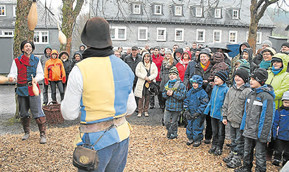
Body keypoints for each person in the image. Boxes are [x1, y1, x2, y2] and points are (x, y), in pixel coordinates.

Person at [61, 17, 136, 171]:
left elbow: (69, 113)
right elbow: (130, 108)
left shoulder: (80, 69)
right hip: (121, 137)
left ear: (86, 41)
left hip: (94, 141)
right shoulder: (125, 67)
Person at [235, 68, 275, 172]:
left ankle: (260, 170)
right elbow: (246, 113)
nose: (251, 81)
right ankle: (246, 168)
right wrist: (243, 127)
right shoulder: (251, 94)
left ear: (261, 81)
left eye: (254, 79)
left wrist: (263, 135)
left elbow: (267, 118)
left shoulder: (267, 97)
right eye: (251, 79)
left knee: (260, 154)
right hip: (249, 130)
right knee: (247, 151)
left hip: (259, 133)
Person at [8, 40, 47, 144]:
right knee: (24, 113)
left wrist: (36, 79)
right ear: (22, 49)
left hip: (33, 90)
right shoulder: (16, 61)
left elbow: (41, 74)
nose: (28, 48)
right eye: (26, 46)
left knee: (38, 112)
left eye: (30, 46)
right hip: (21, 90)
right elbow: (13, 73)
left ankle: (42, 134)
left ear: (32, 48)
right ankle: (26, 132)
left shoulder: (36, 60)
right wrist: (12, 78)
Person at [222, 69, 251, 168]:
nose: (237, 78)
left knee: (240, 141)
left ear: (245, 79)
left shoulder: (247, 91)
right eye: (236, 76)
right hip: (231, 118)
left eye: (240, 76)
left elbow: (248, 108)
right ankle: (233, 153)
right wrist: (225, 115)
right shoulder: (231, 89)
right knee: (233, 140)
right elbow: (226, 103)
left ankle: (238, 157)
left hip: (240, 121)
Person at [204, 71, 229, 156]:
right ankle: (214, 145)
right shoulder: (214, 88)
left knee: (221, 132)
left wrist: (224, 115)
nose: (215, 79)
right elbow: (211, 100)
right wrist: (207, 110)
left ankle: (219, 147)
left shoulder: (226, 90)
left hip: (221, 115)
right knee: (214, 131)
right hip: (213, 113)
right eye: (215, 78)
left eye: (218, 78)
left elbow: (226, 103)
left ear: (223, 79)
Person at [194, 48, 213, 144]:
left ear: (209, 57)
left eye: (204, 56)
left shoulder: (212, 67)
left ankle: (208, 136)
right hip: (199, 93)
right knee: (199, 115)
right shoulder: (197, 67)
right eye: (201, 57)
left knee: (209, 116)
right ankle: (198, 136)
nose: (202, 58)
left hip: (209, 93)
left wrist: (208, 82)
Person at [184, 75, 209, 147]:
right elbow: (186, 100)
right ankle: (190, 138)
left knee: (197, 126)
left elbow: (204, 104)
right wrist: (186, 110)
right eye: (193, 83)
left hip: (198, 114)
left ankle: (197, 139)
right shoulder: (190, 91)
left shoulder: (202, 93)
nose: (194, 85)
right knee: (189, 125)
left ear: (200, 83)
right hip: (190, 112)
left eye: (196, 83)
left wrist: (198, 112)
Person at [162, 67, 186, 139]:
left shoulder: (181, 85)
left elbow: (183, 96)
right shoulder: (167, 84)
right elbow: (163, 94)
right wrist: (166, 94)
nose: (172, 76)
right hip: (168, 106)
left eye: (173, 74)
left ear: (177, 75)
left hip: (177, 106)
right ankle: (170, 132)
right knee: (166, 121)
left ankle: (174, 133)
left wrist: (173, 94)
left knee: (174, 122)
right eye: (170, 74)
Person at [134, 52, 158, 117]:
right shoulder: (140, 64)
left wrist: (149, 78)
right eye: (145, 56)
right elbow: (137, 72)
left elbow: (155, 73)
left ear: (150, 57)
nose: (146, 58)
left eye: (148, 56)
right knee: (141, 98)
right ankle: (140, 111)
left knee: (148, 97)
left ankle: (146, 111)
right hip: (142, 82)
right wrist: (144, 77)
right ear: (143, 57)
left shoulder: (153, 64)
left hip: (149, 83)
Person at [272, 91, 289, 167]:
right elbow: (275, 123)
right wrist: (274, 134)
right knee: (278, 149)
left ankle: (285, 161)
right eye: (285, 102)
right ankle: (276, 160)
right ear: (282, 102)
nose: (287, 104)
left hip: (288, 136)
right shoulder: (279, 111)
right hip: (280, 135)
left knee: (287, 151)